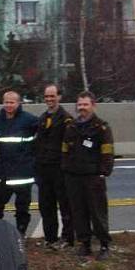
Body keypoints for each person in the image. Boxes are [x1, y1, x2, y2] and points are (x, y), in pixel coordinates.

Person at [61, 91, 114, 260]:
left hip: (93, 177)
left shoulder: (101, 128)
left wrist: (102, 173)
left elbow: (107, 153)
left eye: (85, 104)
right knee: (79, 212)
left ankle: (104, 245)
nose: (82, 108)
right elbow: (65, 151)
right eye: (80, 104)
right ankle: (85, 244)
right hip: (74, 177)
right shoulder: (71, 127)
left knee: (97, 213)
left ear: (93, 105)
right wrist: (66, 170)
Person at [0, 90, 39, 237]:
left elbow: (43, 133)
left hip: (23, 174)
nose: (8, 105)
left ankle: (21, 234)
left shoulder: (29, 120)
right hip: (4, 173)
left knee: (22, 209)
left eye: (12, 102)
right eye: (6, 102)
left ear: (18, 103)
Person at [34, 84, 74, 250]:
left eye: (52, 96)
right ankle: (50, 238)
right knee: (46, 205)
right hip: (44, 169)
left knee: (65, 206)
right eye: (47, 97)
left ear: (59, 97)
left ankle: (67, 238)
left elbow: (70, 145)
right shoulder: (43, 118)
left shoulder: (66, 119)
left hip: (60, 168)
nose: (49, 99)